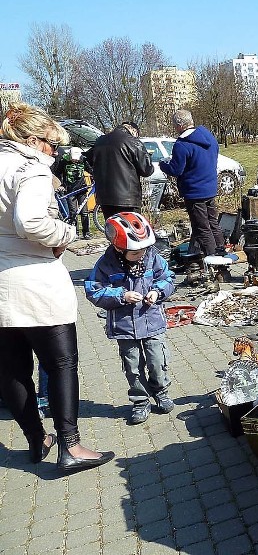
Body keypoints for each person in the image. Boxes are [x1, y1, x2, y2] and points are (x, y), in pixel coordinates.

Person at [0, 102, 114, 471]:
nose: (54, 152)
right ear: (32, 140)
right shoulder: (29, 168)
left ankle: (37, 440)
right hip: (34, 280)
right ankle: (71, 446)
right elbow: (31, 222)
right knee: (61, 364)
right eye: (51, 144)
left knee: (13, 370)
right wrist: (63, 233)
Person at [85, 212, 177, 425]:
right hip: (125, 327)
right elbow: (93, 291)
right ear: (118, 248)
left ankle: (161, 391)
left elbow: (167, 278)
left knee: (157, 360)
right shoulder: (105, 265)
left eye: (143, 250)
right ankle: (140, 401)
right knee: (132, 366)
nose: (141, 255)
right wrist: (121, 295)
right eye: (135, 252)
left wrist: (157, 291)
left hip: (151, 321)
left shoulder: (152, 256)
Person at [159, 109, 225, 256]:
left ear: (178, 125)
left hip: (194, 191)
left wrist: (163, 164)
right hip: (210, 186)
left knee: (202, 227)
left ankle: (214, 259)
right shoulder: (209, 137)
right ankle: (221, 250)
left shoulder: (182, 144)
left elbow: (176, 170)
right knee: (213, 222)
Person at [85, 120, 153, 219]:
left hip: (104, 198)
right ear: (133, 130)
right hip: (128, 198)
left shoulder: (100, 141)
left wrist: (95, 173)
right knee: (130, 230)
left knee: (113, 230)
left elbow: (86, 160)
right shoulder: (132, 141)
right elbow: (147, 170)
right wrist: (147, 156)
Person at [52, 146, 92, 239]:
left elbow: (90, 170)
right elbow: (58, 173)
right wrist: (61, 185)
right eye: (73, 160)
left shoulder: (83, 160)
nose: (75, 161)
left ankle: (86, 232)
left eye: (76, 160)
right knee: (73, 212)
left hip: (82, 189)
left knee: (84, 212)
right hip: (70, 189)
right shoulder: (64, 161)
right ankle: (75, 232)